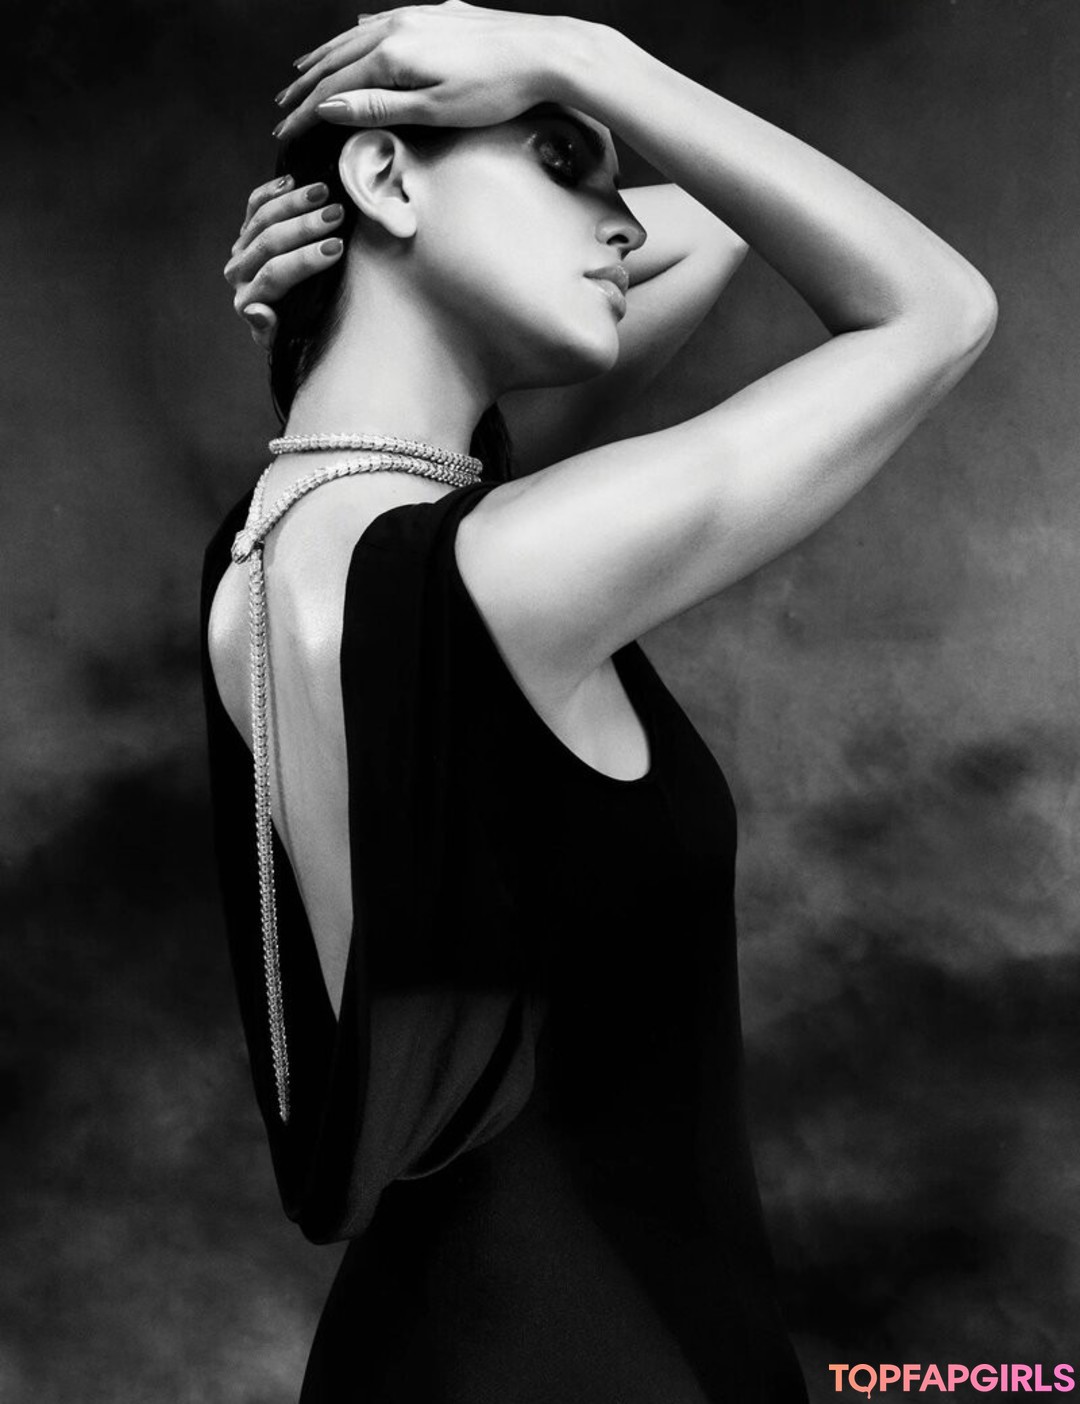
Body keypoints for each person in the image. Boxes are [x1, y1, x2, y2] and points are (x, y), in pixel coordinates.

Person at [202, 4, 997, 1399]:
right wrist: (590, 53)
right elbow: (938, 311)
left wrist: (347, 280)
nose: (622, 222)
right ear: (388, 180)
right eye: (563, 163)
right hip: (605, 1349)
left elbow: (711, 226)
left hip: (414, 1342)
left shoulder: (266, 544)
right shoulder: (511, 569)